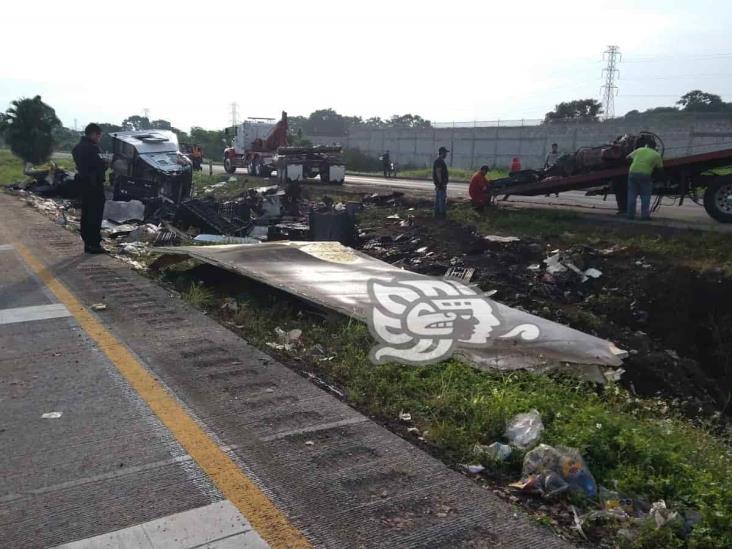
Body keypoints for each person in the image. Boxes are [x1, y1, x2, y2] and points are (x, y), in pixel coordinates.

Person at [72, 123, 107, 253]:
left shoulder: (77, 148)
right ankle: (94, 244)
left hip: (83, 185)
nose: (99, 138)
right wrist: (105, 163)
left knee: (86, 214)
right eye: (99, 136)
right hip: (94, 185)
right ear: (93, 134)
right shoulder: (93, 148)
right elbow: (98, 167)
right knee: (95, 215)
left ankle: (87, 243)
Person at [626, 138, 663, 220]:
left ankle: (630, 215)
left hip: (632, 173)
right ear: (655, 147)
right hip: (645, 174)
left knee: (632, 194)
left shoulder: (639, 150)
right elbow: (660, 170)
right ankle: (644, 216)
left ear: (647, 145)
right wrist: (658, 179)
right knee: (645, 196)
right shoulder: (657, 155)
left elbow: (627, 158)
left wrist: (635, 162)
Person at [433, 146, 449, 218]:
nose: (446, 154)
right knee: (441, 200)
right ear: (442, 153)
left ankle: (436, 214)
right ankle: (441, 215)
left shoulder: (439, 161)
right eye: (445, 153)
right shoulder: (439, 161)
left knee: (438, 199)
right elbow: (438, 172)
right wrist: (441, 183)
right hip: (440, 184)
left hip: (439, 184)